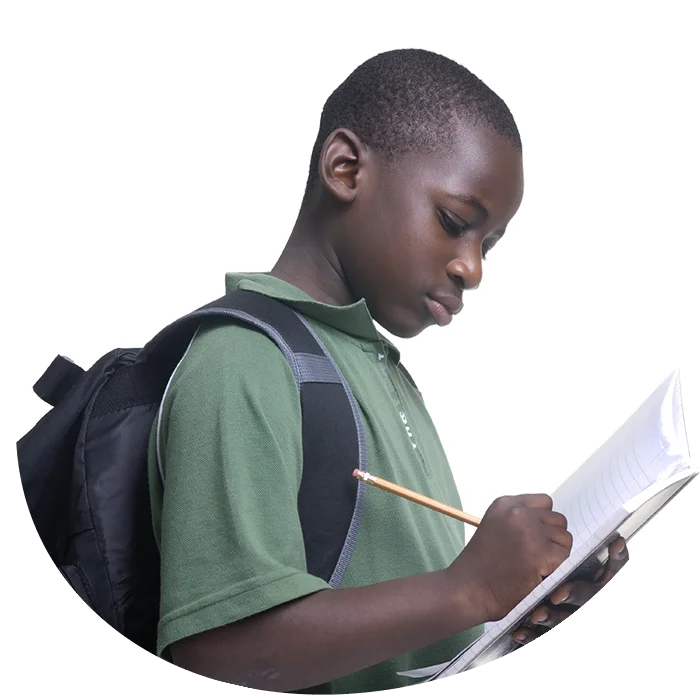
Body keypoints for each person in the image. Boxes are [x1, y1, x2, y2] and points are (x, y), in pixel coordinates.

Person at [147, 48, 628, 693]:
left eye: (488, 246)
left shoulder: (381, 368)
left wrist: (517, 610)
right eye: (455, 223)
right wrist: (470, 587)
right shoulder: (243, 362)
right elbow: (221, 655)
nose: (472, 269)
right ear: (345, 169)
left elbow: (406, 644)